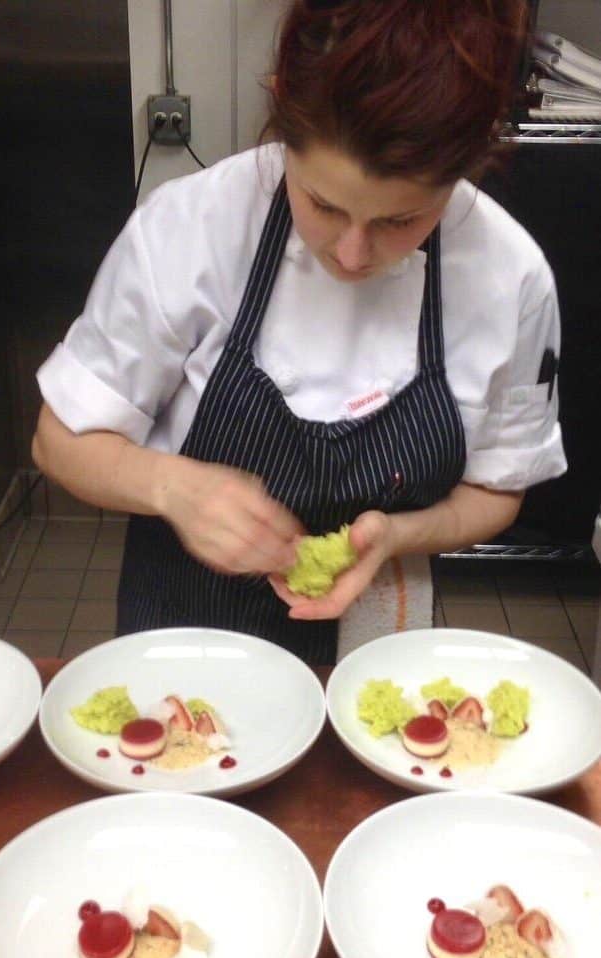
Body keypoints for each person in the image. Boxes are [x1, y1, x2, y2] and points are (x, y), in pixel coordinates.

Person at [32, 0, 566, 666]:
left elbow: (497, 490)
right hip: (186, 650)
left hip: (375, 650)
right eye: (322, 203)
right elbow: (57, 442)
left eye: (401, 220)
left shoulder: (509, 278)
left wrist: (397, 535)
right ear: (282, 113)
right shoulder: (192, 228)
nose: (351, 254)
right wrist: (172, 487)